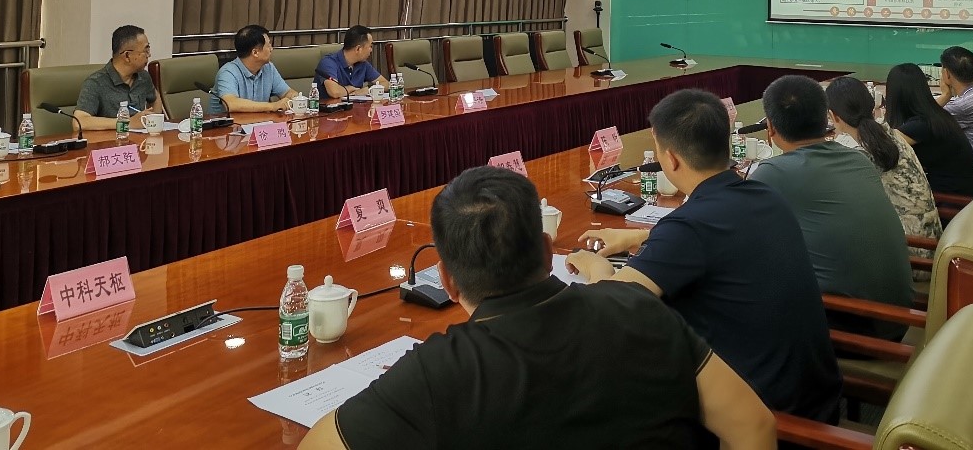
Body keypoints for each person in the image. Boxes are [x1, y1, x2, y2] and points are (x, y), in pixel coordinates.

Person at [301, 166, 777, 450]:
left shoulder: (436, 373)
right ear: (549, 253)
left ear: (446, 279)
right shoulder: (639, 307)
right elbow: (754, 426)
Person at [565, 89, 841, 423]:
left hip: (761, 418)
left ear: (671, 159)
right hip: (816, 396)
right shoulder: (764, 195)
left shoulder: (689, 229)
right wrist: (640, 236)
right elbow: (716, 236)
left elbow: (603, 310)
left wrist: (595, 265)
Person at [748, 75, 913, 337]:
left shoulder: (772, 173)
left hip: (854, 330)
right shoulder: (857, 159)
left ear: (770, 127)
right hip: (897, 317)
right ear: (826, 118)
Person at [826, 77, 942, 247]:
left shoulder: (860, 156)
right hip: (930, 237)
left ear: (833, 116)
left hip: (912, 249)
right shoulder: (890, 134)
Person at [883, 63, 973, 197]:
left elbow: (881, 146)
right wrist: (945, 96)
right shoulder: (934, 116)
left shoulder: (920, 126)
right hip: (964, 195)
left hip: (952, 201)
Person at [73, 24, 159, 131]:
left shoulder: (143, 76)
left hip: (140, 140)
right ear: (127, 56)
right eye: (145, 51)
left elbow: (155, 98)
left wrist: (153, 124)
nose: (149, 55)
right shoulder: (96, 83)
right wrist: (126, 123)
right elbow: (79, 122)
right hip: (111, 140)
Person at [210, 25, 298, 114]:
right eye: (268, 46)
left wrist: (293, 97)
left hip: (260, 121)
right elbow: (231, 104)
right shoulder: (228, 72)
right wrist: (273, 106)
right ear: (255, 52)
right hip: (227, 122)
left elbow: (286, 92)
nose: (271, 49)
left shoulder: (268, 68)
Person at [316, 25, 384, 100]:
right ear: (358, 49)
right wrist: (350, 89)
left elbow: (385, 83)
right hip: (330, 107)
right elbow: (334, 92)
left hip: (355, 106)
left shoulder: (363, 63)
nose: (371, 50)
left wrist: (369, 89)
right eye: (370, 46)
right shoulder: (328, 63)